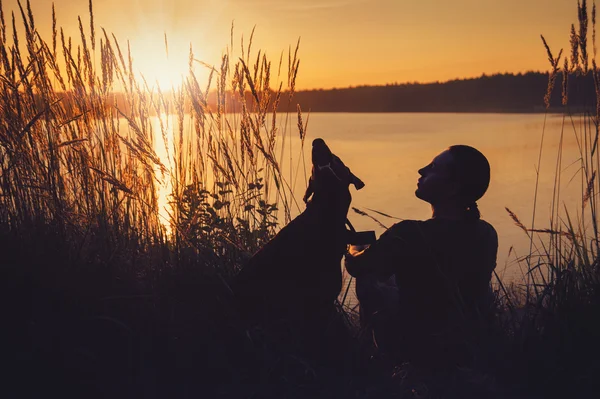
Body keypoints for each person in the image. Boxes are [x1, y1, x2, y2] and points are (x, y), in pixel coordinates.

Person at [344, 145, 498, 369]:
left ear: (453, 188)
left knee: (369, 279)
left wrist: (354, 247)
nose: (421, 170)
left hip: (416, 346)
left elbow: (357, 266)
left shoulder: (409, 233)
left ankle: (376, 359)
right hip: (465, 344)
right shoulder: (486, 232)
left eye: (433, 168)